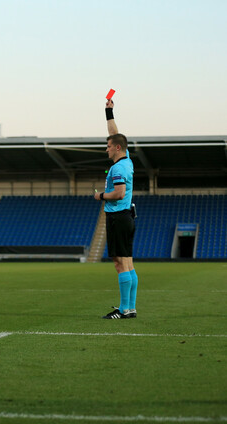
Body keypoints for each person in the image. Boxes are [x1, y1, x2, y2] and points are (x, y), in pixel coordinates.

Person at [94, 98, 138, 319]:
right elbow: (115, 134)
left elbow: (119, 193)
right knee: (128, 263)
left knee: (120, 263)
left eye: (109, 146)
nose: (107, 149)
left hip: (118, 217)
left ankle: (123, 309)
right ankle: (130, 308)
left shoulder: (119, 168)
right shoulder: (127, 160)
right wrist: (109, 112)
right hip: (126, 216)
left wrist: (100, 196)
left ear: (117, 148)